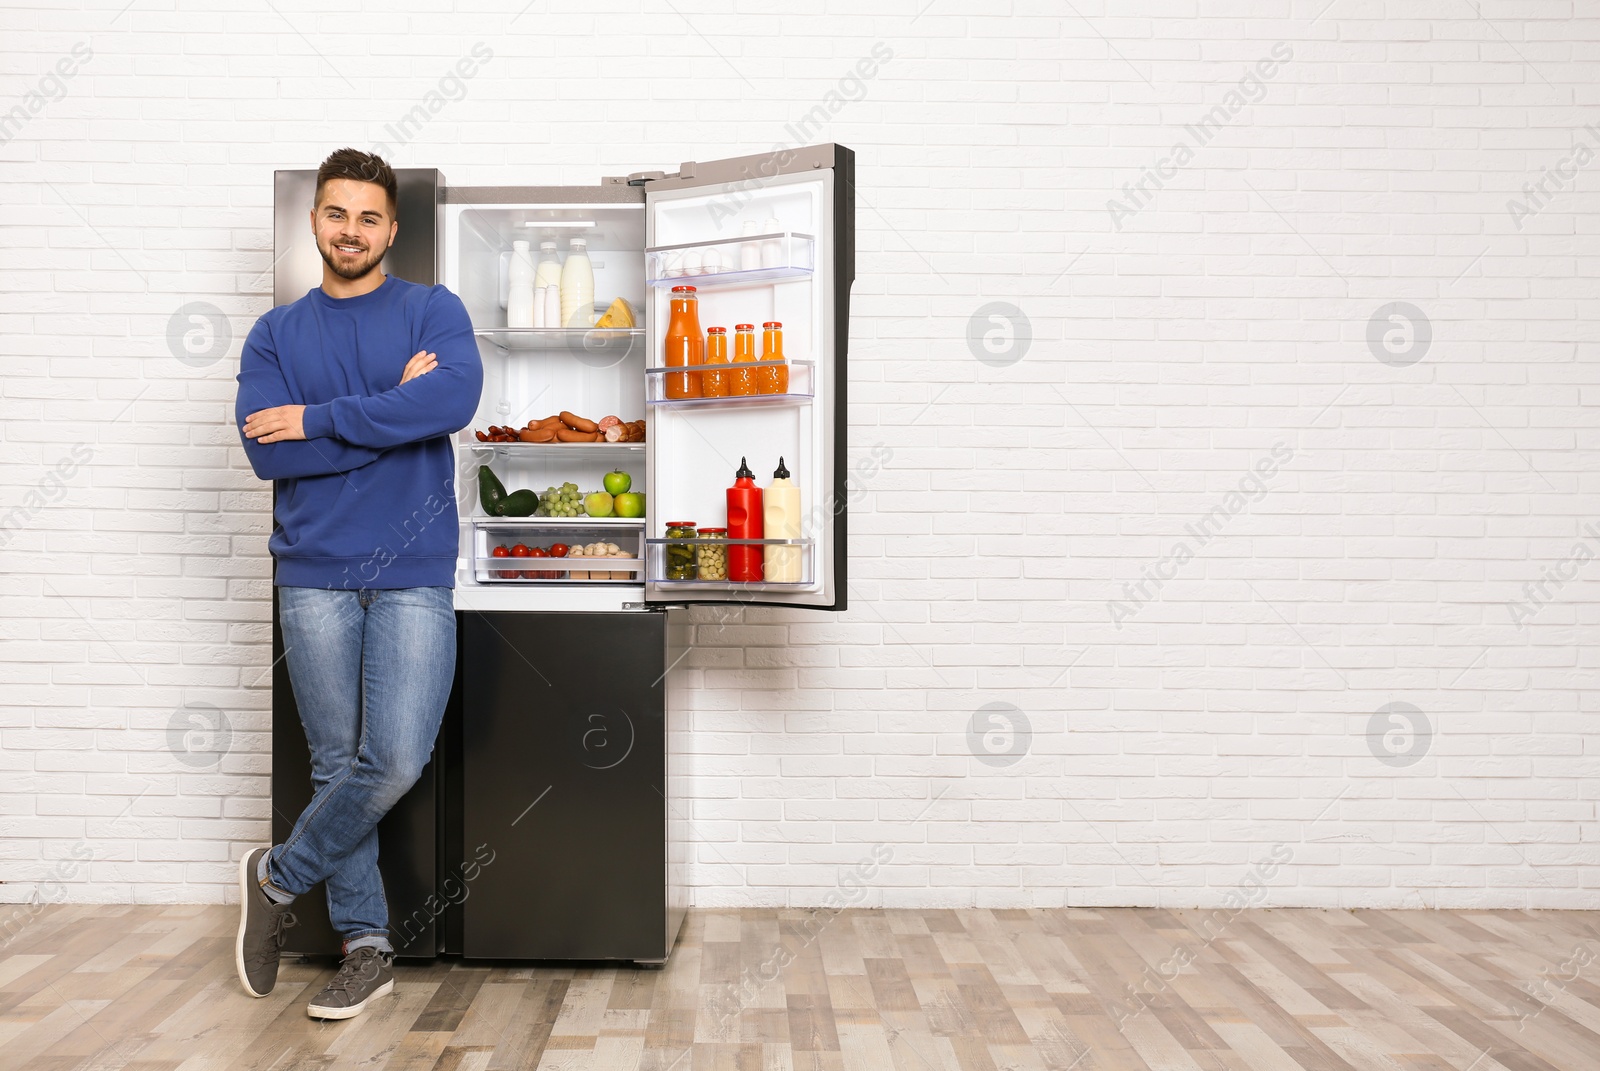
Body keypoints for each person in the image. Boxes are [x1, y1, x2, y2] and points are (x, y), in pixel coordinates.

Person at [232, 148, 482, 1020]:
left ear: (392, 228)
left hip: (412, 571)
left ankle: (279, 875)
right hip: (313, 574)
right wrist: (388, 412)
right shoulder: (274, 335)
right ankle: (366, 946)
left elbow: (450, 405)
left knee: (394, 758)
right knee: (337, 763)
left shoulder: (431, 309)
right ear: (315, 221)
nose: (351, 230)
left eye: (368, 217)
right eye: (336, 213)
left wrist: (321, 418)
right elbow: (267, 450)